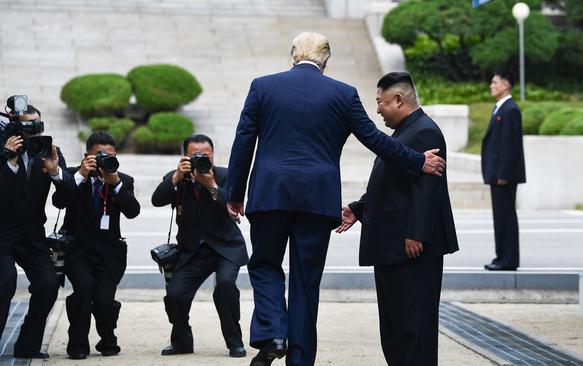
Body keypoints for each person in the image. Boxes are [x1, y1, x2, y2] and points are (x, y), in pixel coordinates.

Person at [226, 32, 446, 366]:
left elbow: (244, 141)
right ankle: (300, 360)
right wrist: (418, 161)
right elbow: (373, 138)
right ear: (326, 61)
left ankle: (272, 332)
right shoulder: (343, 93)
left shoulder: (262, 86)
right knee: (306, 281)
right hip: (317, 201)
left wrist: (235, 193)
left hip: (270, 194)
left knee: (266, 264)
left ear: (293, 56)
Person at [337, 72, 459, 366]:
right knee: (395, 327)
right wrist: (359, 208)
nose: (377, 109)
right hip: (393, 247)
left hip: (411, 248)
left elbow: (427, 188)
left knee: (413, 327)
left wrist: (416, 233)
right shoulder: (406, 130)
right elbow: (391, 184)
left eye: (380, 102)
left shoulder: (423, 132)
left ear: (398, 99)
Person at [152, 134, 248, 358]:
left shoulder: (225, 175)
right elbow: (157, 199)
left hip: (225, 247)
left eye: (206, 155)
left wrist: (211, 185)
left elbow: (232, 205)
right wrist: (176, 176)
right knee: (175, 295)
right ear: (184, 156)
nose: (201, 159)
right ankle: (182, 341)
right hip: (192, 251)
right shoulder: (178, 178)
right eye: (195, 155)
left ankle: (235, 342)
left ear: (213, 155)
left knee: (225, 287)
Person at [52, 132, 140, 359]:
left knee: (103, 300)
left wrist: (117, 184)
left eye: (108, 155)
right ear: (86, 156)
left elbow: (133, 212)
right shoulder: (72, 176)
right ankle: (78, 345)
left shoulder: (123, 180)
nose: (103, 160)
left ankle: (108, 340)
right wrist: (81, 174)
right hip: (77, 251)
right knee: (83, 291)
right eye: (98, 155)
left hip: (110, 254)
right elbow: (59, 201)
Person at [0, 102, 74, 359]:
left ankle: (28, 345)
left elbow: (65, 199)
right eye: (26, 128)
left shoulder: (50, 151)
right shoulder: (3, 152)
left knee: (48, 284)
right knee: (5, 282)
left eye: (37, 127)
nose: (33, 134)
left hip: (32, 235)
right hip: (2, 234)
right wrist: (9, 162)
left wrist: (56, 173)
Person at [481, 71, 526, 271]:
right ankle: (501, 257)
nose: (491, 85)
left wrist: (504, 174)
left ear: (506, 85)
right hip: (497, 175)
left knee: (506, 217)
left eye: (495, 82)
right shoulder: (500, 108)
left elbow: (510, 145)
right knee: (500, 217)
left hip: (503, 176)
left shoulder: (510, 109)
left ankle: (508, 260)